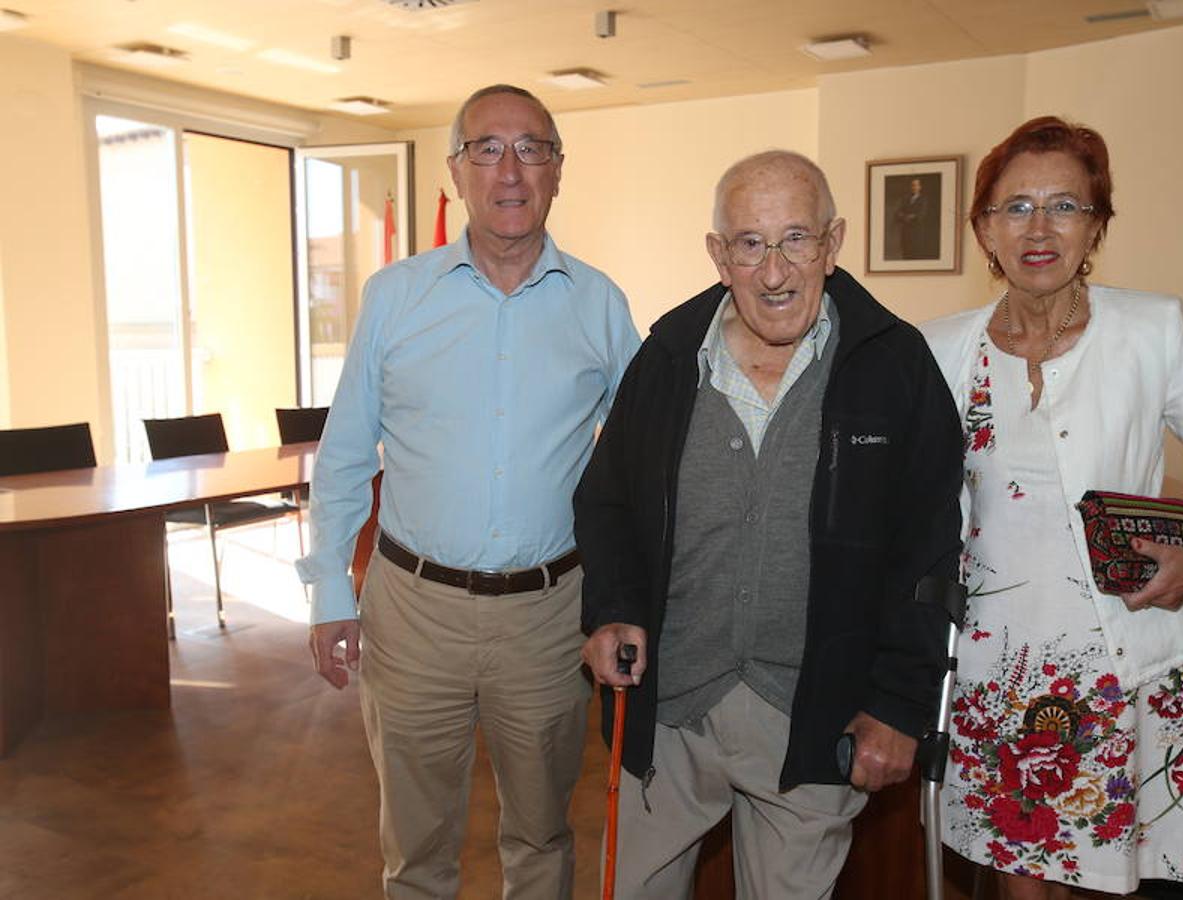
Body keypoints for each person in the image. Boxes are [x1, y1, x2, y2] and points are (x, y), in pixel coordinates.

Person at [575, 150, 964, 897]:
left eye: (797, 239)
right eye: (751, 244)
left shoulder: (896, 367)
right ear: (720, 255)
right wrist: (613, 610)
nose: (776, 271)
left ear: (833, 242)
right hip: (671, 709)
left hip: (814, 713)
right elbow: (608, 502)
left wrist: (897, 706)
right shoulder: (665, 358)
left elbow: (927, 552)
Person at [919, 116, 1183, 898]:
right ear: (983, 228)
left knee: (1102, 881)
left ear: (1097, 226)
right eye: (1015, 207)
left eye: (1064, 206)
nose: (1038, 228)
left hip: (1121, 658)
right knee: (1019, 877)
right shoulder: (940, 348)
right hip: (993, 663)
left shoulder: (1153, 331)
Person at [297, 84, 640, 899]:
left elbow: (638, 472)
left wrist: (629, 600)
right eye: (487, 148)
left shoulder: (598, 304)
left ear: (558, 170)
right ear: (456, 169)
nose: (510, 170)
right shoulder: (395, 297)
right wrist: (325, 597)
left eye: (532, 148)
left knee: (541, 838)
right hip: (413, 614)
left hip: (550, 618)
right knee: (415, 852)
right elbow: (345, 456)